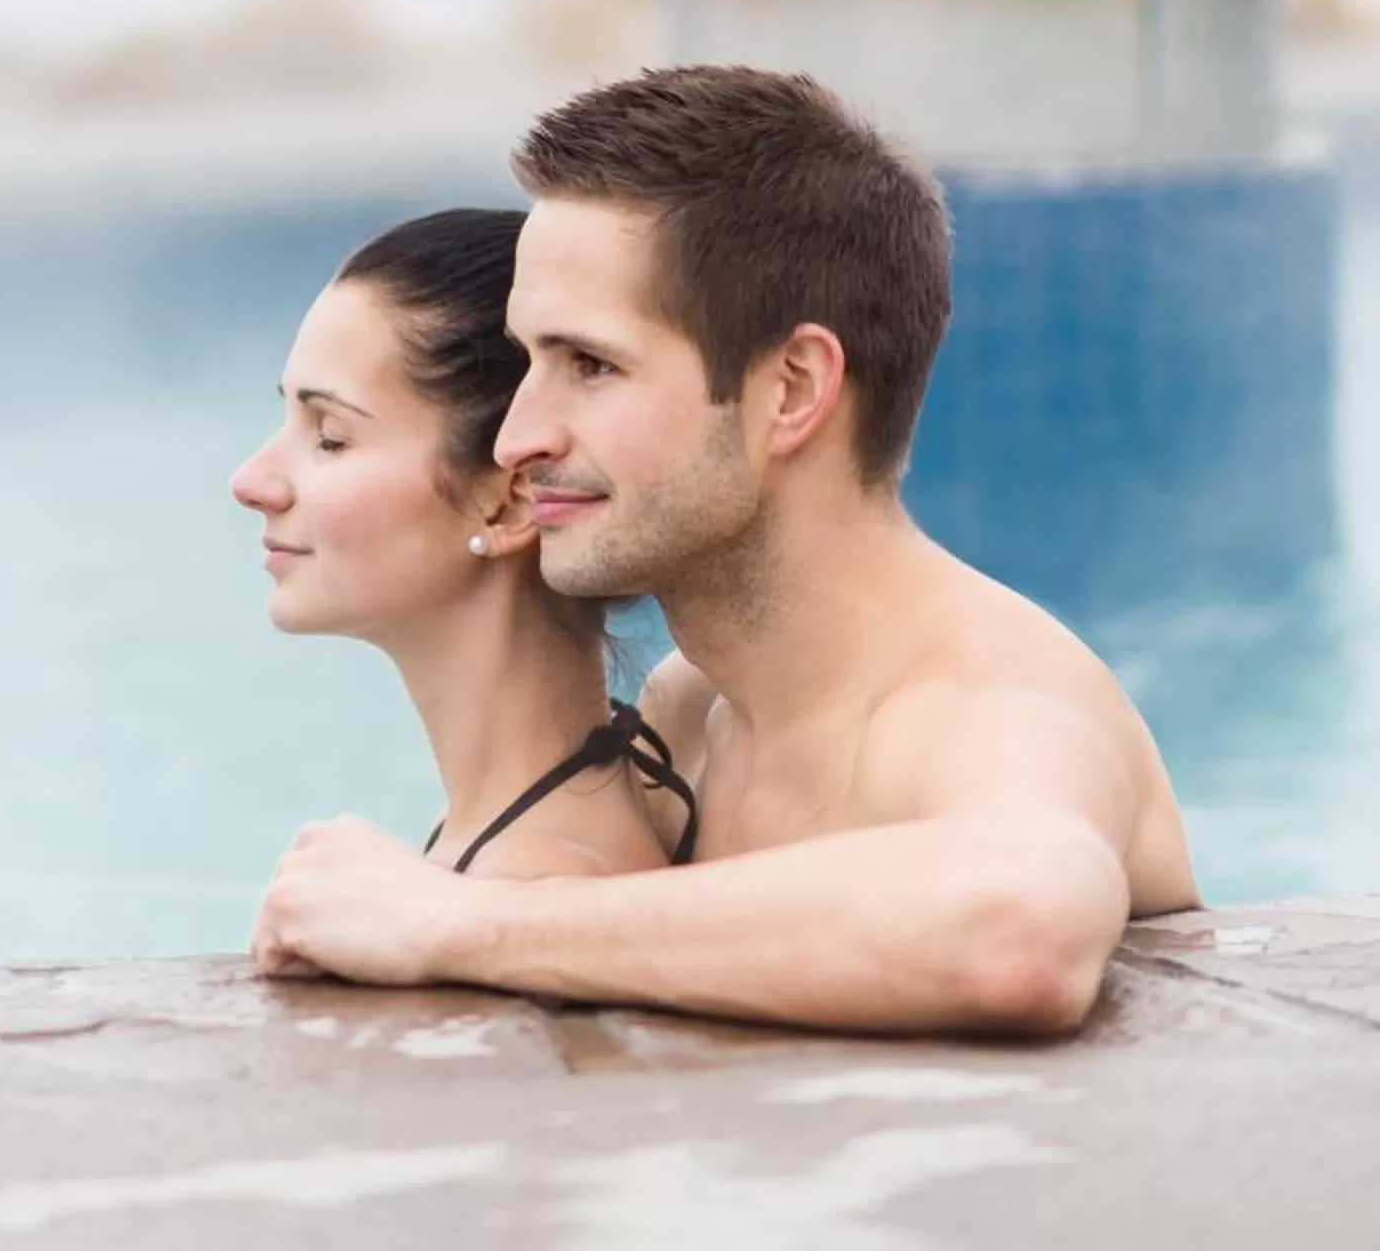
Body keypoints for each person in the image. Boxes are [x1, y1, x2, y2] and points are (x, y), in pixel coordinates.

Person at [248, 66, 1201, 1036]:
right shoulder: (691, 718)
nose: (516, 435)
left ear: (791, 389)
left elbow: (1018, 931)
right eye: (528, 360)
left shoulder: (983, 697)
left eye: (590, 365)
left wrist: (455, 923)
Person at [230, 208, 696, 890]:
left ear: (509, 501)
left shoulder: (537, 885)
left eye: (330, 436)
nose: (252, 483)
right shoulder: (520, 832)